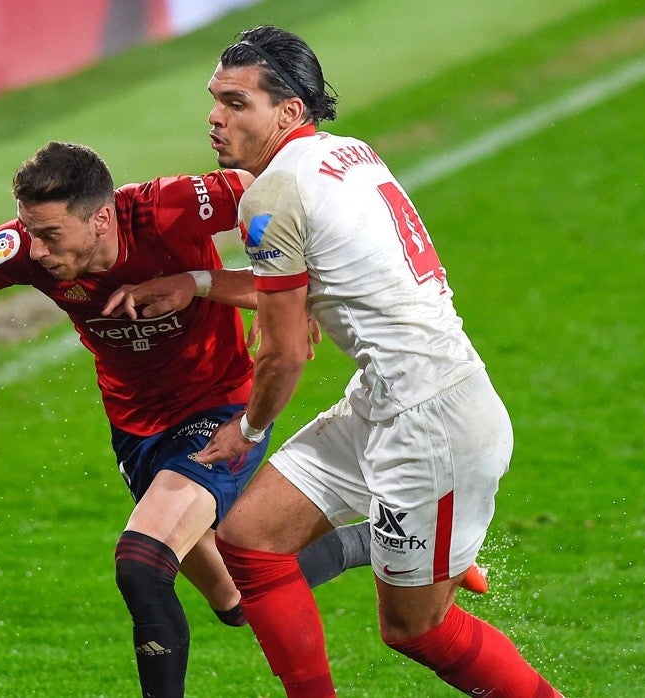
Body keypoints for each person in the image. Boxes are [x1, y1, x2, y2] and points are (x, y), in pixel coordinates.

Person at [0, 141, 380, 698]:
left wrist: (285, 296)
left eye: (50, 235)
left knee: (140, 563)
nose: (34, 251)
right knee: (233, 599)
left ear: (102, 219)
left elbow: (287, 193)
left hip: (221, 409)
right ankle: (379, 546)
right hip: (138, 430)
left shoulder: (170, 208)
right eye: (29, 231)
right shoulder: (24, 249)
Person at [105, 26, 557, 697]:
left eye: (236, 103)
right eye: (214, 99)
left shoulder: (271, 196)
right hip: (391, 398)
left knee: (416, 630)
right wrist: (197, 284)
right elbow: (323, 285)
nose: (215, 116)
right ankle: (392, 565)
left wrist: (249, 432)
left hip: (430, 423)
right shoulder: (348, 154)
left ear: (286, 112)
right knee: (251, 536)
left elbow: (285, 352)